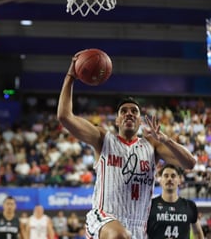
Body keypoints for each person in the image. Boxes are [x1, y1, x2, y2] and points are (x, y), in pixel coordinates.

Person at [57, 51, 196, 239]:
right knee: (119, 235)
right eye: (123, 111)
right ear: (117, 120)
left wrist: (166, 140)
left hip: (138, 227)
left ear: (140, 121)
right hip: (104, 218)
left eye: (134, 111)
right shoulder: (103, 139)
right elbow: (65, 117)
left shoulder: (152, 146)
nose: (129, 113)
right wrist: (71, 76)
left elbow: (190, 163)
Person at [147, 164, 204, 239]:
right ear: (160, 180)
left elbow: (197, 233)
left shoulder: (189, 206)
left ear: (179, 180)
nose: (169, 179)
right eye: (166, 176)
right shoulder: (150, 205)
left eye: (173, 176)